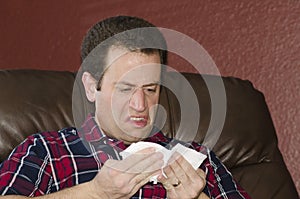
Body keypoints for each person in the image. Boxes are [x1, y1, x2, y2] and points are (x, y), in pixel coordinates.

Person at [0, 16, 251, 199]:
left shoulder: (197, 161)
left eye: (151, 89)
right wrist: (95, 192)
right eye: (125, 89)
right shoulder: (45, 151)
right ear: (90, 86)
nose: (140, 105)